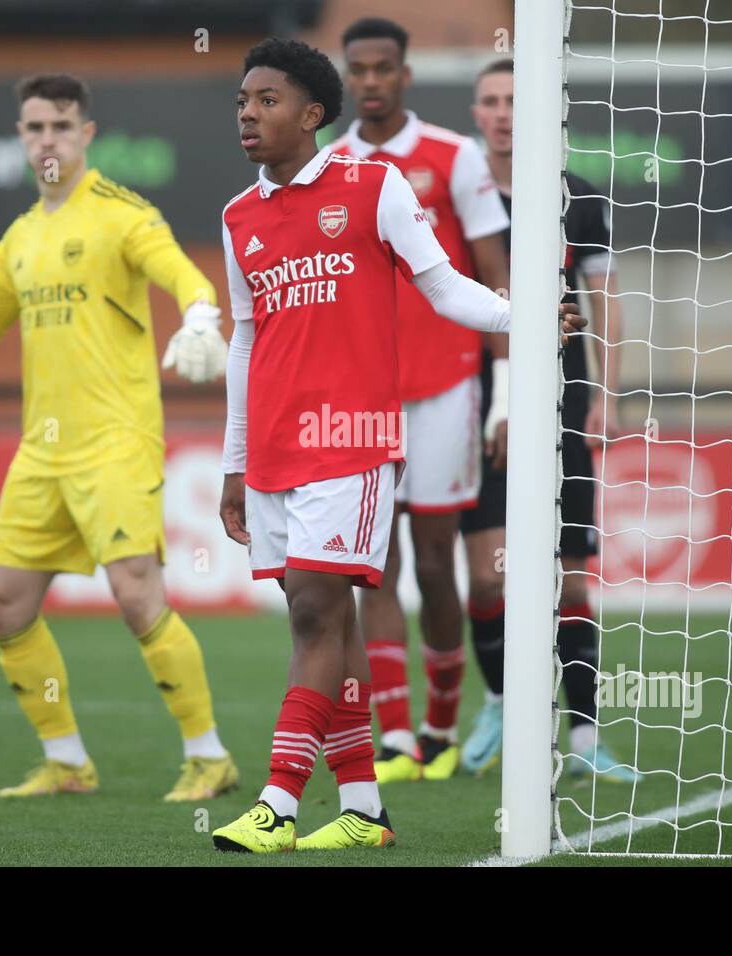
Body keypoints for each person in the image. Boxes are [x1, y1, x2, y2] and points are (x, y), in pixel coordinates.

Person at [211, 38, 575, 853]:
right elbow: (244, 342)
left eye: (266, 100)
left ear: (312, 115)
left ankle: (276, 800)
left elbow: (444, 285)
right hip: (272, 448)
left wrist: (528, 316)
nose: (247, 113)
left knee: (314, 607)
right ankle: (366, 805)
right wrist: (236, 462)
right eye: (241, 100)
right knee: (325, 618)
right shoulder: (238, 217)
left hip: (354, 439)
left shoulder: (371, 187)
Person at [0, 73, 240, 802]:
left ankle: (209, 755)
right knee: (6, 606)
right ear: (21, 138)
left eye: (61, 126)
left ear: (87, 134)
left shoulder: (124, 214)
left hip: (117, 440)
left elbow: (185, 276)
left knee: (136, 597)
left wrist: (200, 319)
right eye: (34, 128)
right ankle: (68, 762)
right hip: (42, 451)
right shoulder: (21, 239)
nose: (48, 140)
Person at [328, 17, 512, 783]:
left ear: (405, 75)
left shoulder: (454, 155)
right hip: (360, 395)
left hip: (445, 390)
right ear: (346, 77)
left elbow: (494, 274)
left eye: (384, 68)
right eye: (358, 69)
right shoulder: (327, 166)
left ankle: (440, 724)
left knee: (438, 564)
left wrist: (504, 393)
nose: (370, 81)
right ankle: (398, 734)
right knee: (372, 565)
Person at [460, 58, 634, 782]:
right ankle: (501, 700)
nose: (503, 113)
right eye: (490, 101)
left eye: (514, 100)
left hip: (562, 398)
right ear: (476, 113)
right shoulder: (455, 200)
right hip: (471, 398)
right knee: (487, 575)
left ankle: (586, 737)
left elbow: (607, 300)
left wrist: (609, 394)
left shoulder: (578, 199)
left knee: (571, 576)